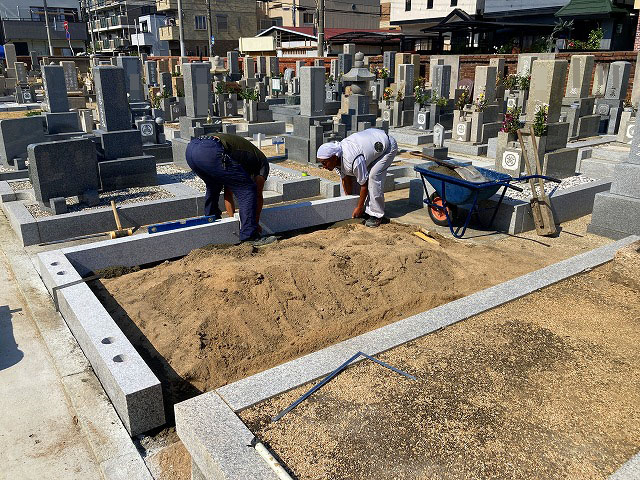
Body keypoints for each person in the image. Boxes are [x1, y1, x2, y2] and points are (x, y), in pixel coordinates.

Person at [185, 133, 269, 242]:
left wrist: (232, 221)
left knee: (214, 185)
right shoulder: (262, 163)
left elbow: (228, 193)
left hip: (192, 149)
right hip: (210, 149)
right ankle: (250, 236)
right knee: (248, 189)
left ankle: (211, 220)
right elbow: (257, 194)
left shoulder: (241, 160)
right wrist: (254, 224)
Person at [316, 129, 398, 228]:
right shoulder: (337, 160)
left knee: (374, 176)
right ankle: (361, 209)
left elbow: (364, 184)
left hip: (387, 147)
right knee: (352, 175)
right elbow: (346, 179)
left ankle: (376, 214)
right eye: (322, 163)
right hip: (369, 144)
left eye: (324, 163)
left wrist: (359, 207)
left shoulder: (352, 159)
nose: (323, 166)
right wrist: (348, 202)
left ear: (334, 157)